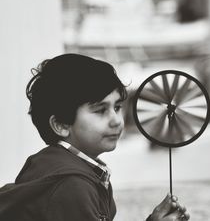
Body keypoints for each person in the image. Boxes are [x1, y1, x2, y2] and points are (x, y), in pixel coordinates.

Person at [0, 53, 190, 221]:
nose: (116, 121)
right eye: (100, 111)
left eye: (117, 107)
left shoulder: (58, 165)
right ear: (61, 125)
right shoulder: (71, 186)